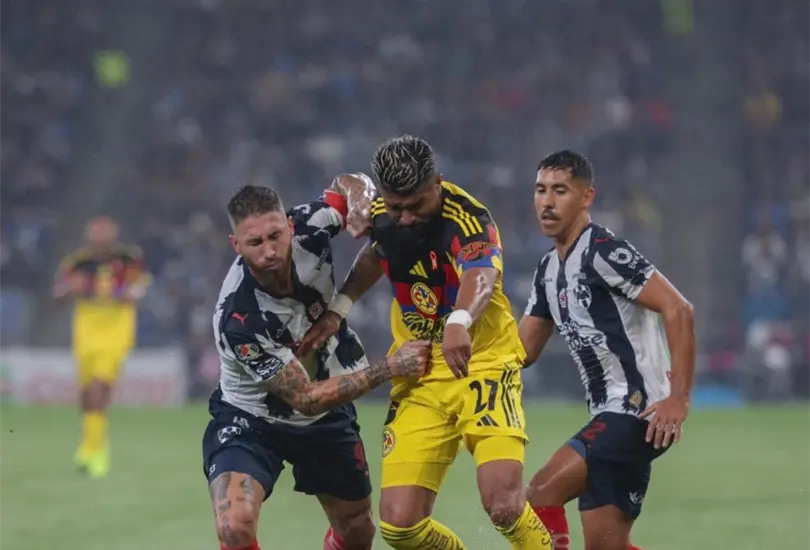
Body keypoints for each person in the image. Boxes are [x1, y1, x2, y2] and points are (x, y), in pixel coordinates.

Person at [299, 135, 552, 550]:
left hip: (483, 364)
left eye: (416, 205)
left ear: (437, 182)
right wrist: (338, 307)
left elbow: (480, 275)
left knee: (503, 505)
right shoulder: (385, 211)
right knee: (400, 526)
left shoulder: (468, 218)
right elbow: (375, 248)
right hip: (419, 373)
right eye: (395, 206)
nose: (405, 218)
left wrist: (459, 319)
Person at [203, 181, 432, 550]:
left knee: (358, 531)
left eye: (275, 236)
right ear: (236, 246)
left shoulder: (311, 224)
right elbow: (306, 398)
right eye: (254, 244)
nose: (269, 251)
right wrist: (390, 368)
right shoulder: (239, 318)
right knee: (234, 525)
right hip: (253, 419)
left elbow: (350, 182)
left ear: (289, 226)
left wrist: (359, 203)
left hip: (325, 419)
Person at [519, 151, 696, 550]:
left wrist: (679, 399)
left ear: (586, 197)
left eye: (560, 191)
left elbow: (679, 309)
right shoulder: (548, 268)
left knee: (539, 494)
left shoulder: (603, 251)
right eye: (540, 190)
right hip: (610, 414)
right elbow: (522, 351)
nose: (547, 202)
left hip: (638, 413)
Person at [53, 215, 152, 479]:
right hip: (86, 329)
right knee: (86, 392)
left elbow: (140, 286)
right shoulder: (77, 262)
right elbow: (58, 294)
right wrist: (68, 289)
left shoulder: (129, 258)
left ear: (112, 235)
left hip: (116, 329)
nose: (99, 238)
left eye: (104, 233)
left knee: (100, 386)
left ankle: (97, 453)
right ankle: (89, 445)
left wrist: (132, 293)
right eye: (95, 233)